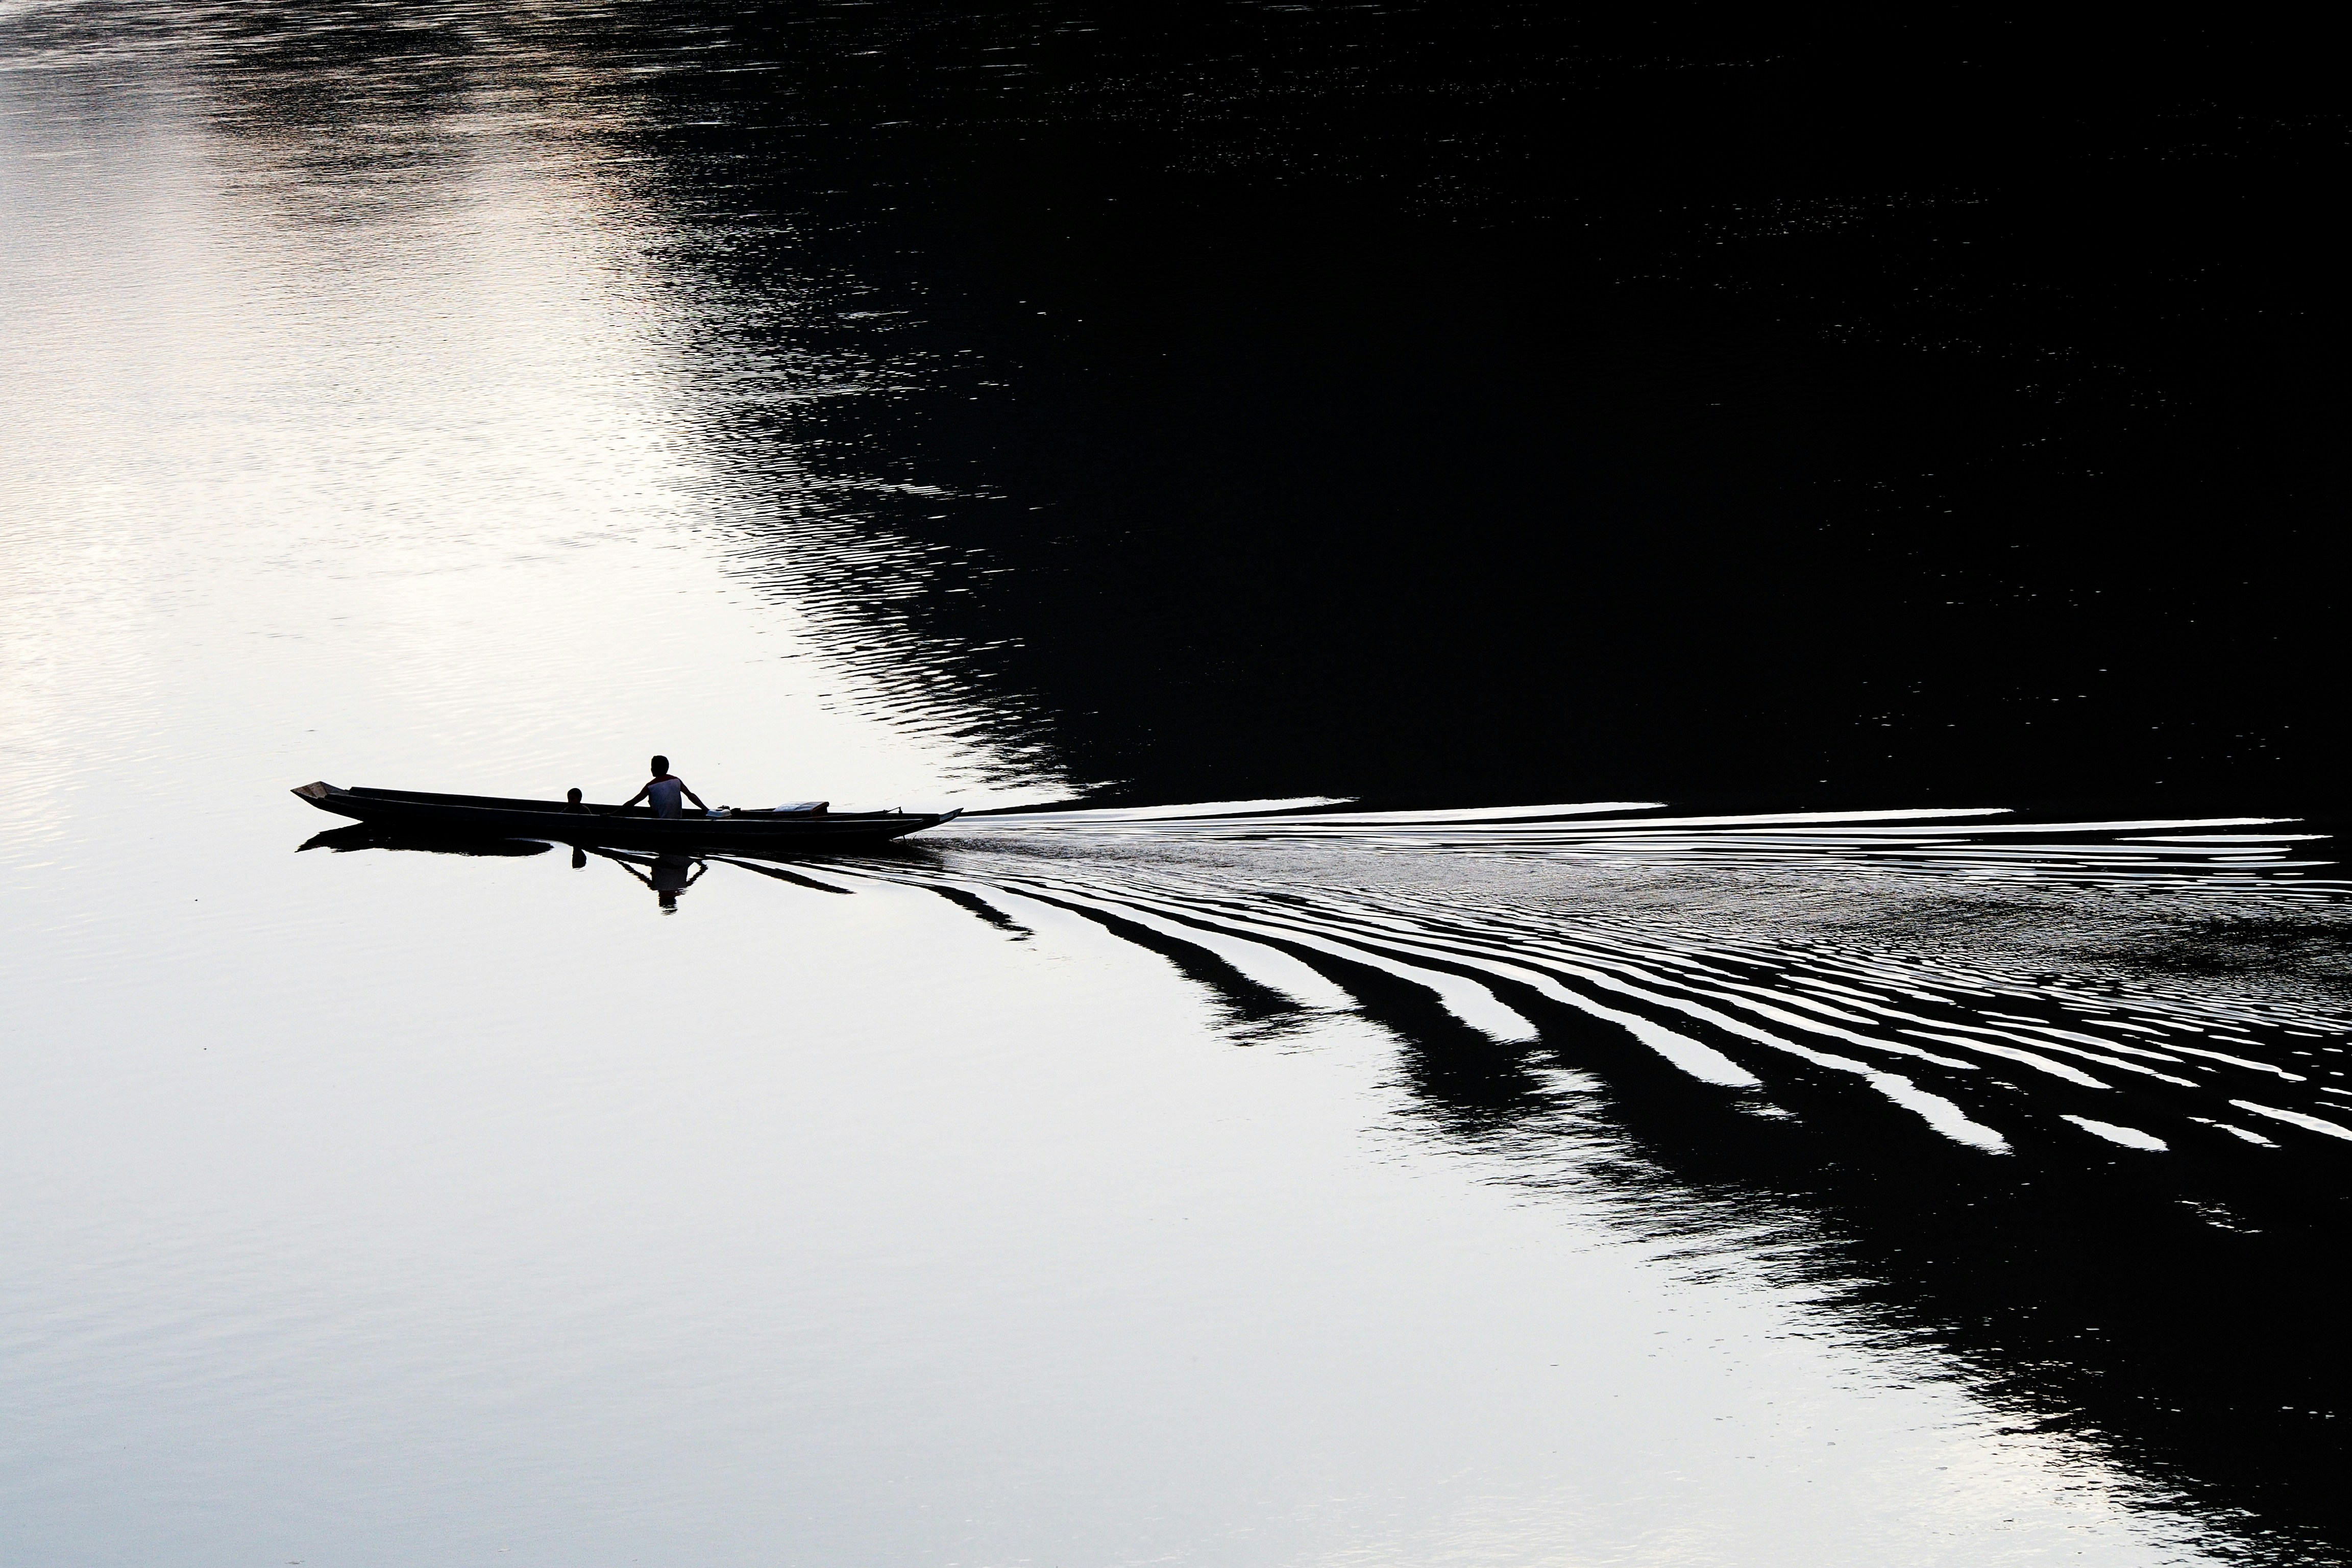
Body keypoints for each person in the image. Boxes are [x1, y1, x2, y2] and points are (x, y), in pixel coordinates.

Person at [618, 755, 707, 819]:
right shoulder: (676, 781)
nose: (651, 769)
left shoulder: (650, 786)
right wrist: (707, 810)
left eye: (652, 767)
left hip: (660, 822)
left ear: (654, 769)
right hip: (678, 820)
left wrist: (614, 814)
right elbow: (691, 796)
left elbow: (632, 803)